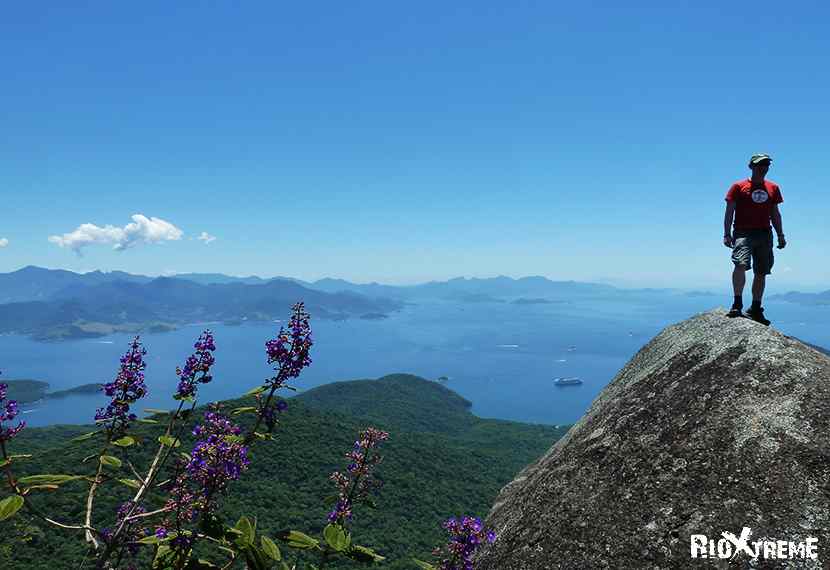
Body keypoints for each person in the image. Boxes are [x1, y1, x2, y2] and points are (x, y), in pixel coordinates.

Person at [723, 153, 786, 325]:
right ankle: (737, 304)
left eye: (766, 165)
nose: (763, 168)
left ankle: (756, 308)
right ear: (751, 166)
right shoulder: (738, 186)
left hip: (765, 233)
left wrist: (781, 234)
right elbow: (730, 211)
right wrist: (727, 233)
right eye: (759, 164)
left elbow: (775, 213)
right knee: (740, 264)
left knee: (761, 271)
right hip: (743, 232)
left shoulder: (773, 188)